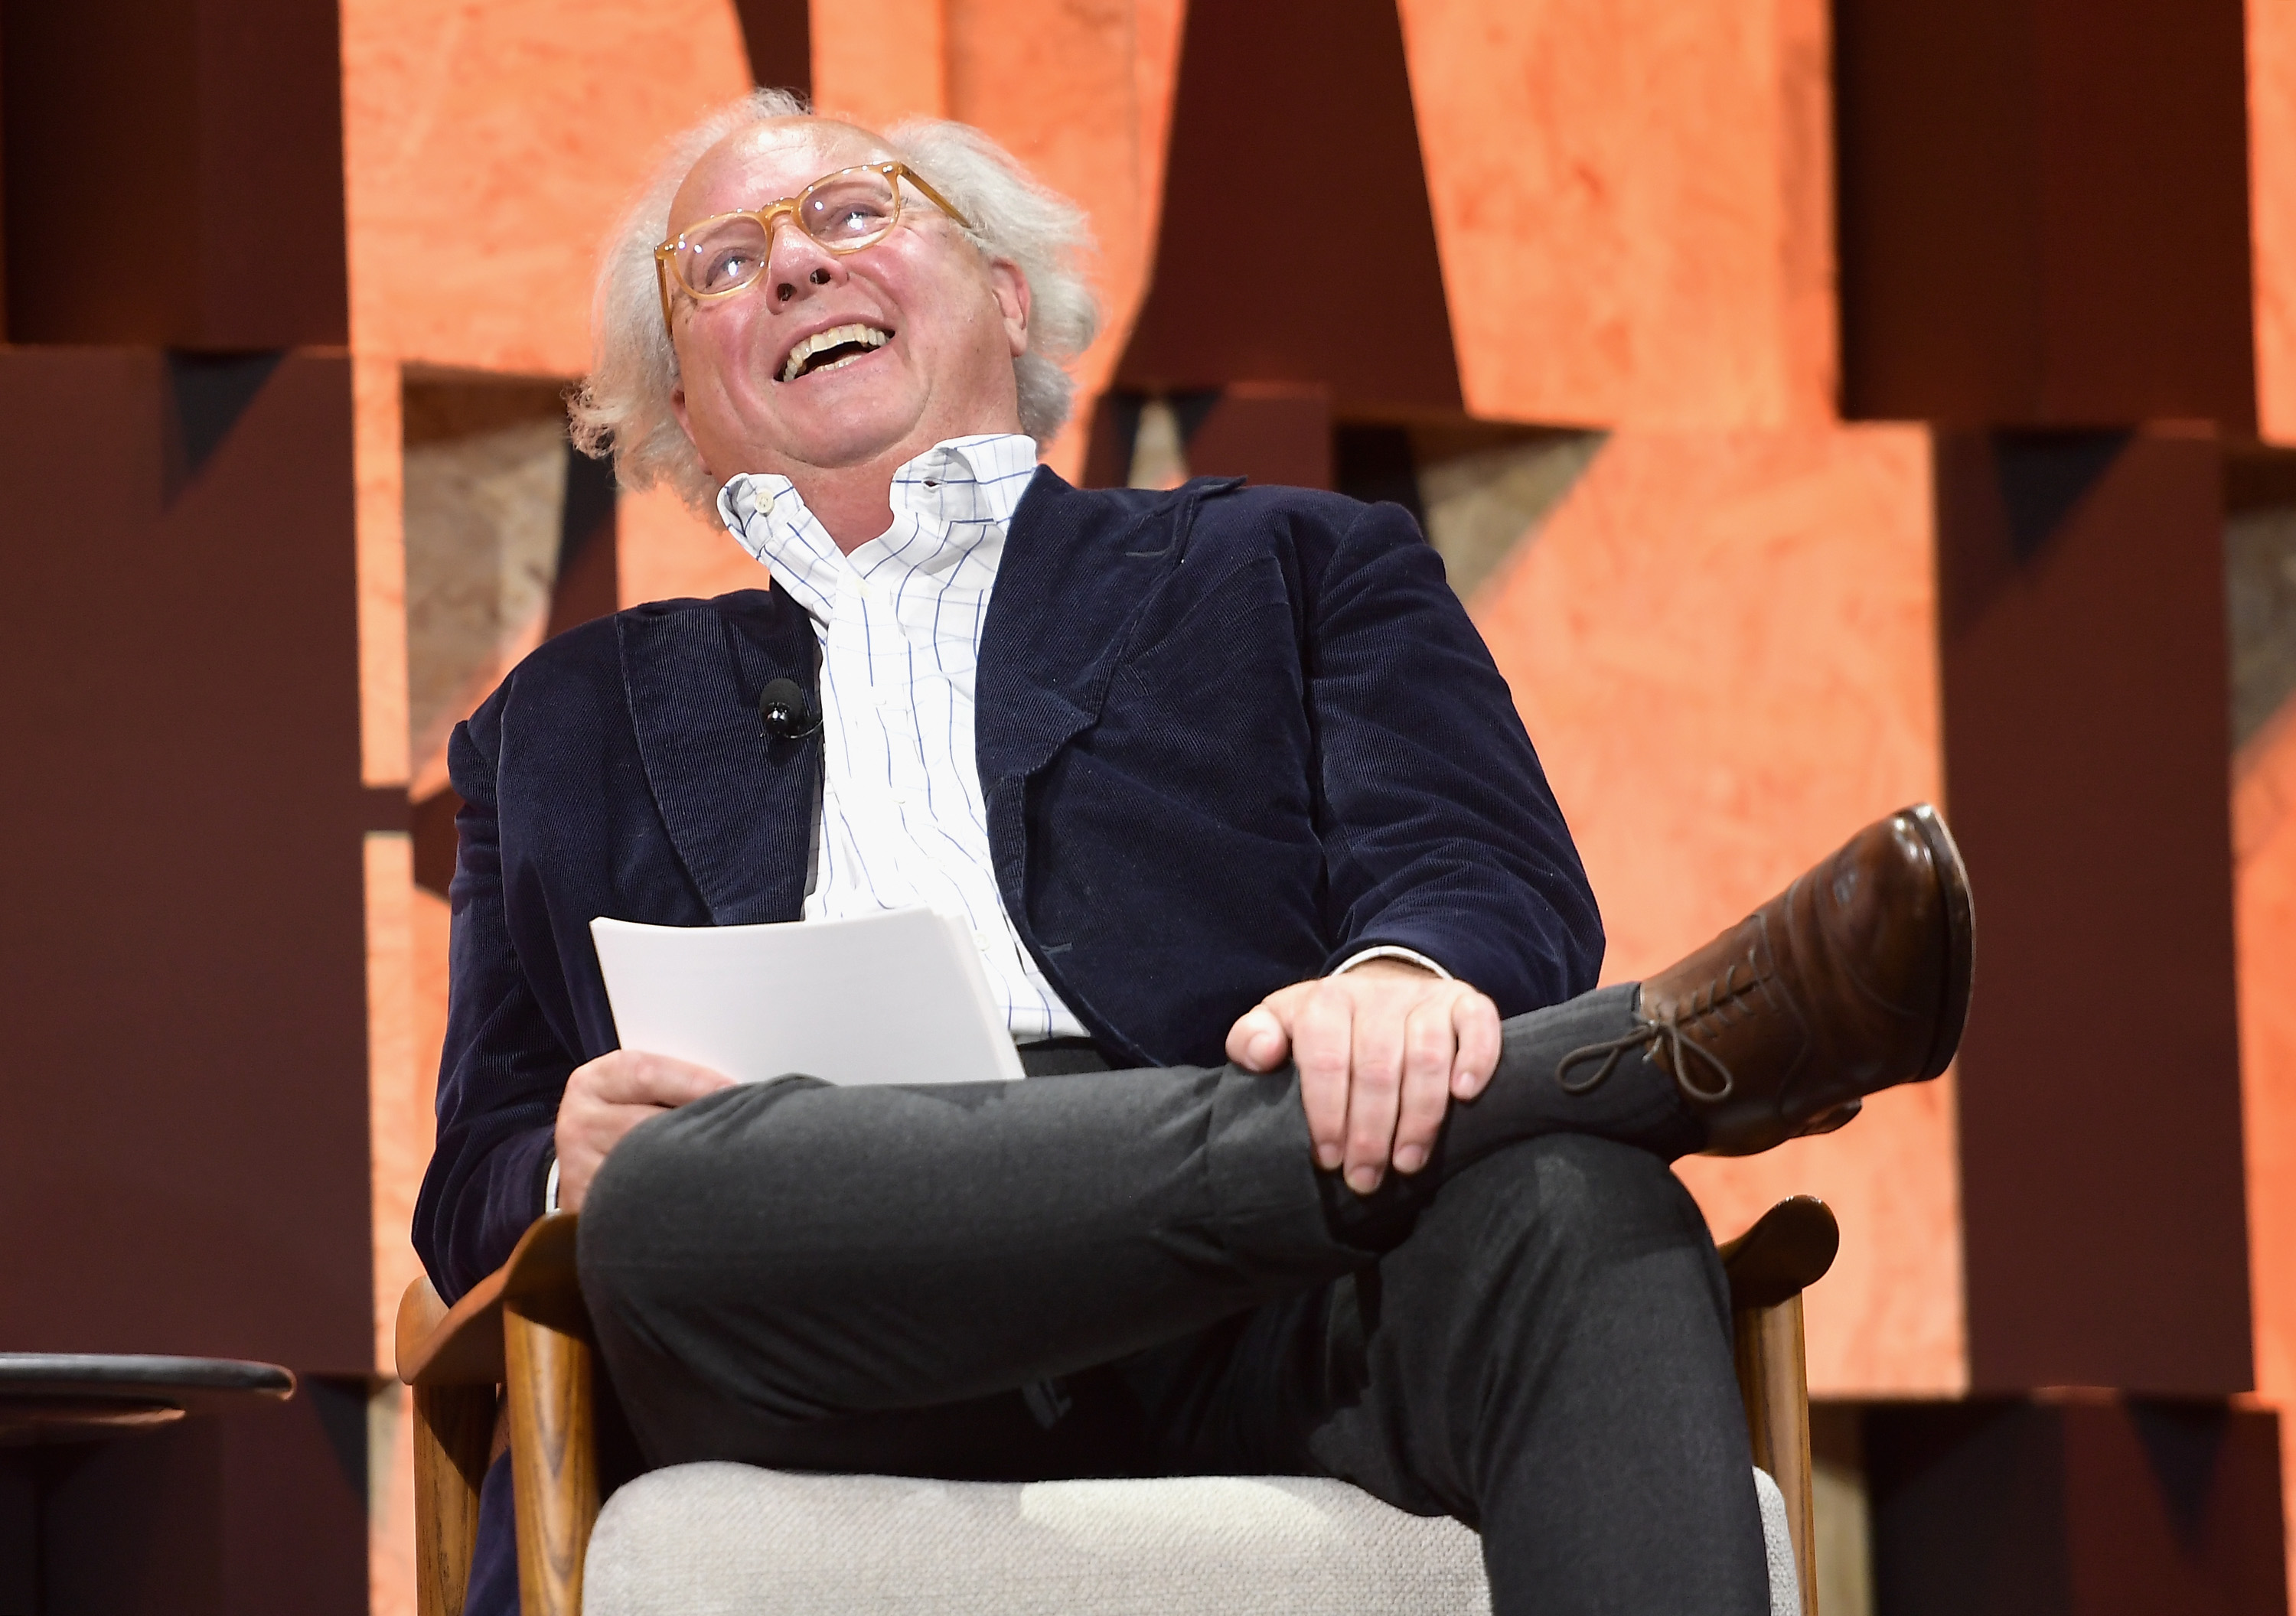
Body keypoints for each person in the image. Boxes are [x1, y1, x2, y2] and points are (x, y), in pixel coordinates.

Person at [413, 89, 1974, 1615]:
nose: (799, 265)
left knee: (1588, 1213)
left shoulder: (1293, 562)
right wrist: (565, 1162)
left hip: (1276, 1310)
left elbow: (1482, 873)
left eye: (852, 211)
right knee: (674, 1196)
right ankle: (1627, 1065)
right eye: (725, 264)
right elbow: (474, 1178)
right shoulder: (556, 728)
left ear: (1006, 295)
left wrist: (1403, 977)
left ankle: (1519, 1115)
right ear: (683, 404)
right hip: (829, 1310)